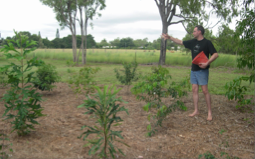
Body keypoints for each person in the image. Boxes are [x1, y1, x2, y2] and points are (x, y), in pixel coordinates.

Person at [161, 25, 218, 121]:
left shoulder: (207, 43)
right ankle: (196, 110)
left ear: (199, 32)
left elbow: (215, 54)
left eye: (194, 31)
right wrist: (169, 37)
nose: (193, 32)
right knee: (194, 90)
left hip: (203, 70)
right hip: (193, 70)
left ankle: (209, 112)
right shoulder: (192, 42)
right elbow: (180, 42)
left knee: (205, 91)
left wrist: (207, 63)